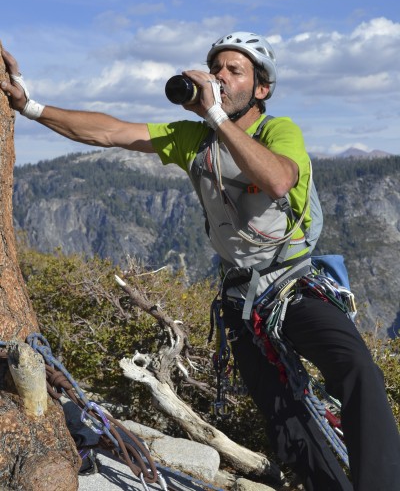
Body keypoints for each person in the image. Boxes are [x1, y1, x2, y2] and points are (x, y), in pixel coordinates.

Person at [1, 33, 400, 491]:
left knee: (356, 369)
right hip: (242, 299)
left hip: (294, 286)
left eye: (235, 71)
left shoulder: (277, 131)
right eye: (217, 70)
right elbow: (112, 132)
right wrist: (31, 106)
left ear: (261, 89)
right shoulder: (195, 138)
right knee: (283, 420)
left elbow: (276, 179)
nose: (221, 78)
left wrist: (213, 115)